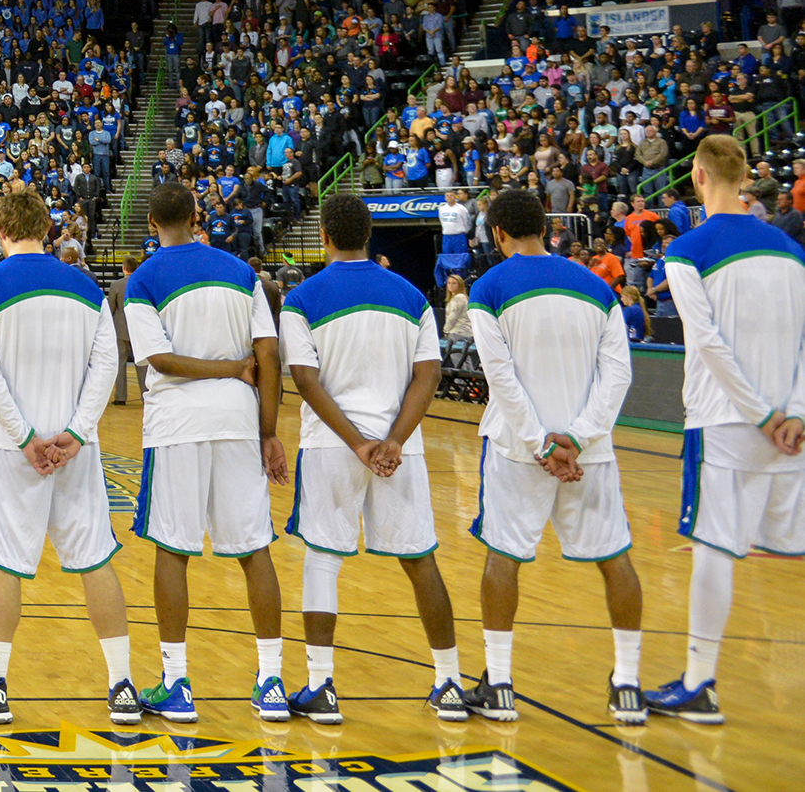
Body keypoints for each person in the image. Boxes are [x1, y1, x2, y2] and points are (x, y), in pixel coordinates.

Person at [0, 185, 139, 726]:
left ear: (1, 230)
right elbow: (108, 366)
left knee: (5, 562)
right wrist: (75, 434)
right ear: (48, 229)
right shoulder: (87, 288)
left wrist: (24, 434)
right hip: (77, 449)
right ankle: (122, 687)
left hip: (14, 451)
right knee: (96, 559)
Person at [279, 193, 468, 725]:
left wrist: (357, 442)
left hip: (331, 447)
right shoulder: (412, 296)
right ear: (368, 234)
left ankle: (321, 687)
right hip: (399, 449)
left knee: (323, 558)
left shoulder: (303, 298)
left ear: (324, 234)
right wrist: (394, 440)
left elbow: (305, 380)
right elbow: (428, 375)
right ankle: (450, 682)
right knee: (420, 559)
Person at [466, 187, 645, 726]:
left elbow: (501, 377)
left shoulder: (488, 286)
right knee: (616, 559)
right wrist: (579, 438)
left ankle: (499, 686)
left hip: (518, 452)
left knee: (503, 557)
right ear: (544, 226)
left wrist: (542, 441)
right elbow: (619, 375)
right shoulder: (598, 286)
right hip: (591, 455)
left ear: (498, 233)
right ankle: (630, 686)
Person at [644, 135, 805, 724]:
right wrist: (794, 412)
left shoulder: (687, 249)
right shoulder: (791, 249)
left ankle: (699, 683)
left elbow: (706, 343)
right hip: (790, 429)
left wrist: (761, 413)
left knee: (713, 546)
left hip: (726, 420)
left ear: (699, 176)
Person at [123, 179, 290, 723]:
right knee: (253, 549)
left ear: (151, 225)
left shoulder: (142, 280)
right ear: (198, 217)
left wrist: (224, 371)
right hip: (240, 418)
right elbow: (267, 353)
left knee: (172, 548)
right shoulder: (243, 272)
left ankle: (176, 683)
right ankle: (271, 681)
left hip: (178, 424)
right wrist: (268, 429)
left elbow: (162, 361)